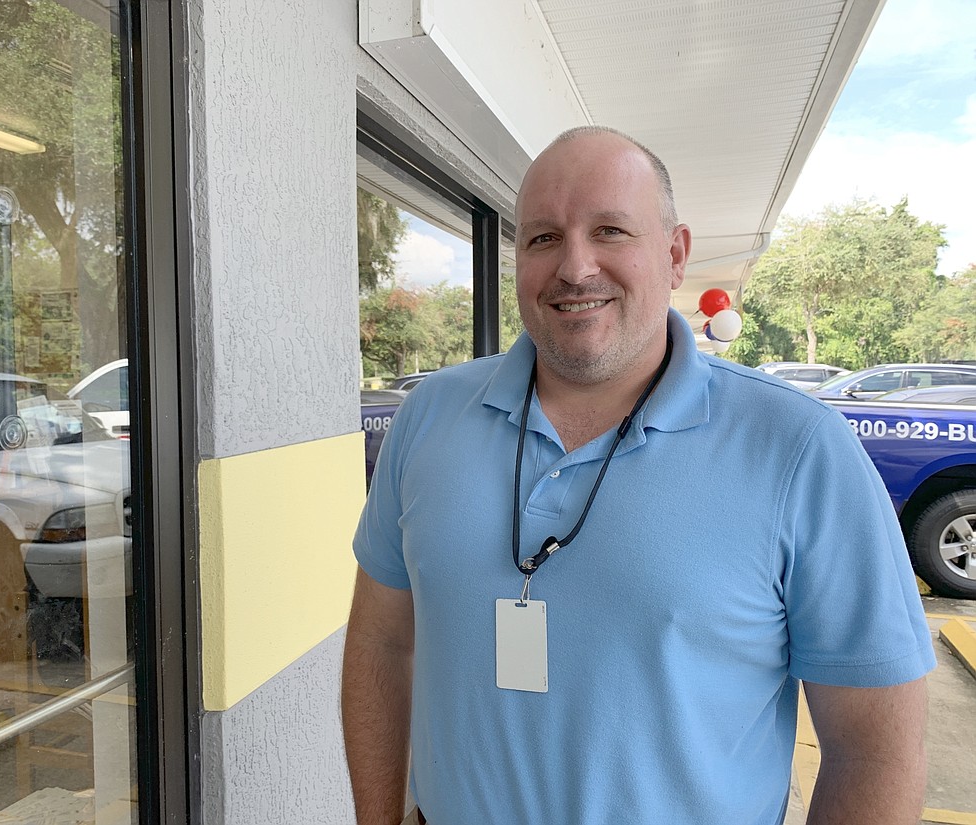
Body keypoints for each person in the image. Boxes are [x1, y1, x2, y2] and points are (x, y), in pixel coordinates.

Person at [342, 126, 935, 825]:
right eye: (542, 238)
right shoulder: (430, 417)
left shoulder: (800, 449)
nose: (575, 266)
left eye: (611, 230)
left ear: (675, 253)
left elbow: (874, 748)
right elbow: (381, 641)